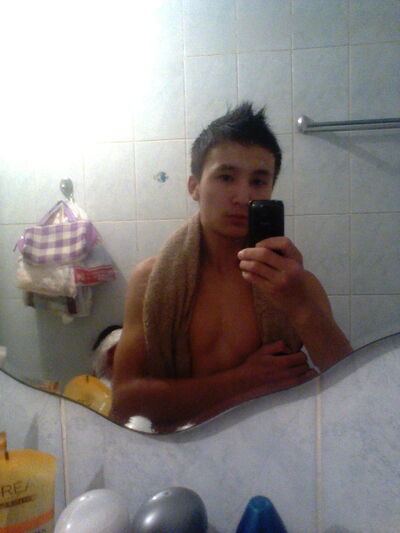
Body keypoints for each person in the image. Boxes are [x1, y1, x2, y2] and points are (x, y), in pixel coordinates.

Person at [111, 103, 352, 430]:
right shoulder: (151, 282)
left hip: (272, 445)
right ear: (194, 186)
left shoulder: (295, 284)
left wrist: (300, 305)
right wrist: (245, 380)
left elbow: (352, 386)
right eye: (226, 177)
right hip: (182, 447)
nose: (242, 196)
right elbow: (125, 404)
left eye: (258, 181)